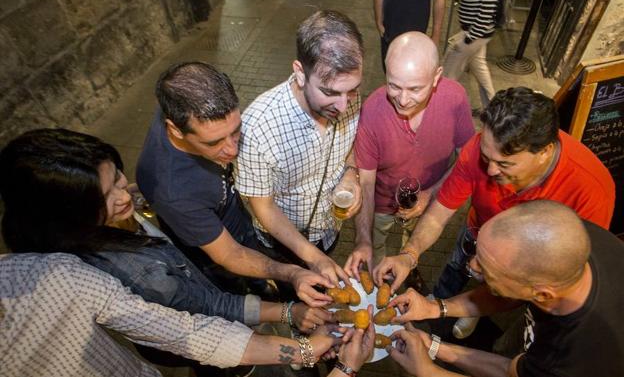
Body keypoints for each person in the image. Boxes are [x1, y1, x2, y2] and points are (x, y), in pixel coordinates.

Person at [0, 128, 335, 376]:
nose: (123, 195)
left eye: (117, 176)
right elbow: (198, 325)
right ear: (69, 214)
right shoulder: (121, 274)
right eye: (104, 197)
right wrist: (301, 340)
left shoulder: (104, 217)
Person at [374, 87, 615, 337]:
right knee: (455, 268)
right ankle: (443, 303)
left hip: (522, 267)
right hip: (474, 232)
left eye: (504, 164)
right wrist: (409, 254)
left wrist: (497, 286)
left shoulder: (591, 190)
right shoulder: (479, 148)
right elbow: (437, 214)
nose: (489, 171)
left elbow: (556, 279)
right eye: (486, 157)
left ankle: (474, 310)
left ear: (544, 152)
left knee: (493, 289)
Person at [136, 62, 333, 307]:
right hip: (215, 254)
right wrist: (292, 273)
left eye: (236, 130)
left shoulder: (183, 98)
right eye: (214, 143)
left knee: (264, 275)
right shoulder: (172, 190)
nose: (233, 149)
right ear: (175, 130)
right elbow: (230, 255)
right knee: (241, 293)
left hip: (239, 222)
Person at [0, 251, 376, 377]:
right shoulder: (61, 275)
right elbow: (185, 331)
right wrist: (339, 366)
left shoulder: (27, 267)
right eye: (111, 190)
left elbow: (200, 308)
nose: (127, 191)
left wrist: (290, 313)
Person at [386, 200, 624, 377]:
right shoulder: (570, 237)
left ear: (542, 294)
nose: (470, 265)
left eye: (488, 271)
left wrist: (428, 371)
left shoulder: (568, 359)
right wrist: (434, 310)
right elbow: (513, 365)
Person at [236, 10, 364, 293]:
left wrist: (351, 173)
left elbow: (355, 143)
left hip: (329, 230)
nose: (344, 106)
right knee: (295, 302)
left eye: (352, 91)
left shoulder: (346, 95)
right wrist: (313, 258)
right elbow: (262, 206)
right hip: (285, 244)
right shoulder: (258, 127)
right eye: (330, 93)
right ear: (299, 73)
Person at [345, 31, 474, 278]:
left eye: (415, 89)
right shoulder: (372, 111)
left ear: (436, 77)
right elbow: (367, 182)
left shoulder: (455, 98)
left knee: (413, 242)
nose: (403, 100)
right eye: (394, 86)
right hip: (380, 204)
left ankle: (409, 270)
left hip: (426, 201)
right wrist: (363, 240)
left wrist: (431, 193)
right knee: (376, 245)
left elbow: (466, 161)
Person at [443, 0, 500, 112]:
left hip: (473, 35)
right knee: (481, 71)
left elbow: (486, 14)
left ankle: (440, 112)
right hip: (476, 35)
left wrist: (469, 38)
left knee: (446, 77)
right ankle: (492, 110)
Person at [374, 0, 446, 70]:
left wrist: (436, 34)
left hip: (413, 31)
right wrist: (379, 21)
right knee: (391, 67)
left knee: (412, 68)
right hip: (391, 29)